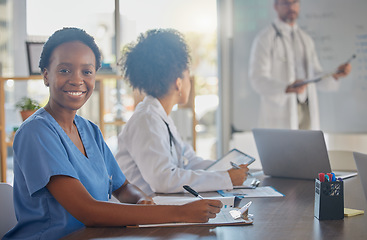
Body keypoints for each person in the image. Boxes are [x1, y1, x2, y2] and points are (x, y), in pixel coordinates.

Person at [3, 27, 223, 240]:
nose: (77, 79)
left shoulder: (90, 131)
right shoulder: (36, 132)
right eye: (64, 70)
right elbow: (88, 211)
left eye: (87, 71)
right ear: (46, 76)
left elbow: (123, 187)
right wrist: (180, 213)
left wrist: (141, 200)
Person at [115, 29, 249, 196]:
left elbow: (189, 162)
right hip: (145, 214)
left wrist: (225, 170)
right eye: (188, 75)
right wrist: (225, 178)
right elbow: (163, 180)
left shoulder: (159, 116)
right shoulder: (146, 120)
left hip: (162, 206)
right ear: (178, 83)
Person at [248, 0, 351, 130]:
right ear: (275, 6)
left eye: (295, 2)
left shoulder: (306, 39)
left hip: (306, 109)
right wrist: (286, 87)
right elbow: (257, 79)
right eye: (285, 3)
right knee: (282, 149)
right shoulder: (264, 39)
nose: (291, 7)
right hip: (280, 111)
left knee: (308, 149)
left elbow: (315, 76)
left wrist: (335, 75)